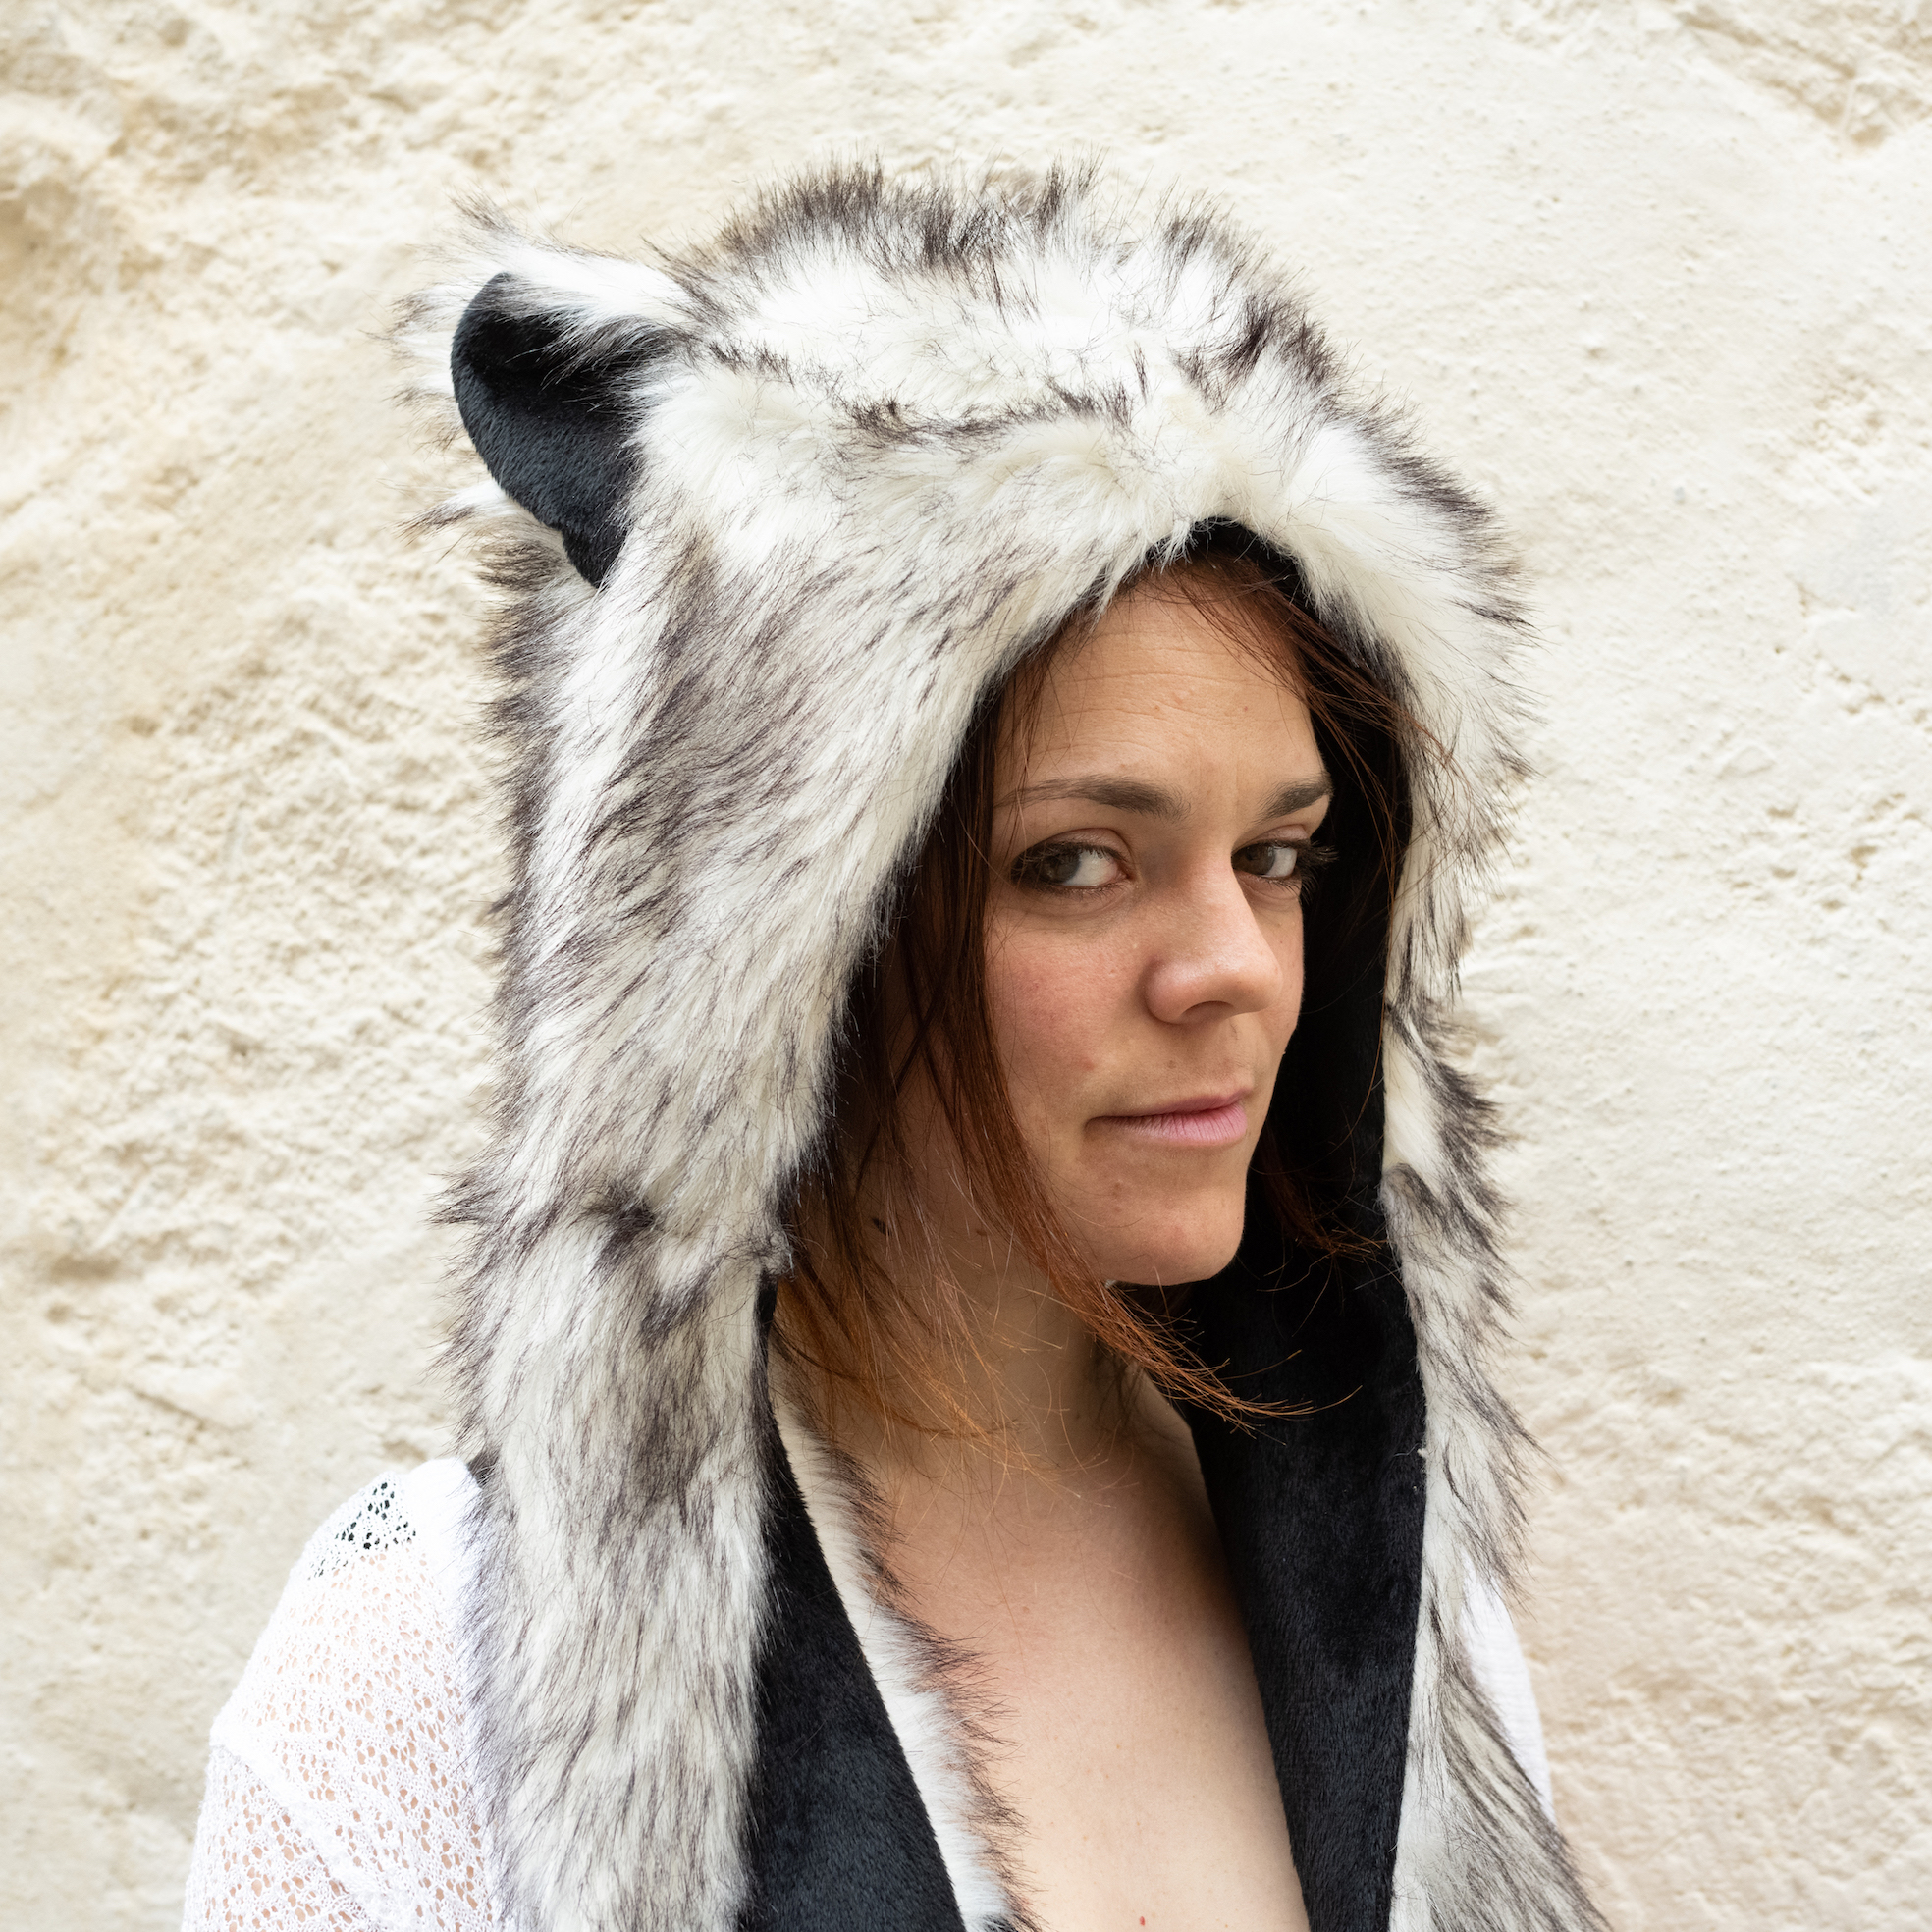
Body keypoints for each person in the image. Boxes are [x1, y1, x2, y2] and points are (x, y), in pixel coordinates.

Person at [183, 164, 1604, 1932]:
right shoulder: (444, 1673)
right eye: (1075, 863)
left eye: (1279, 856)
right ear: (775, 942)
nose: (1235, 969)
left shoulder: (1387, 1586)